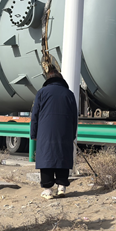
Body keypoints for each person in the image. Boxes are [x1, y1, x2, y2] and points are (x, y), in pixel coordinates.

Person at [30, 68, 78, 200]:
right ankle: (62, 187)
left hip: (45, 132)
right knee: (63, 156)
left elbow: (35, 116)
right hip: (65, 131)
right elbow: (74, 117)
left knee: (47, 157)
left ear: (48, 80)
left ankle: (48, 190)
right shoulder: (69, 94)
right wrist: (72, 135)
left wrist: (33, 133)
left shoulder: (42, 92)